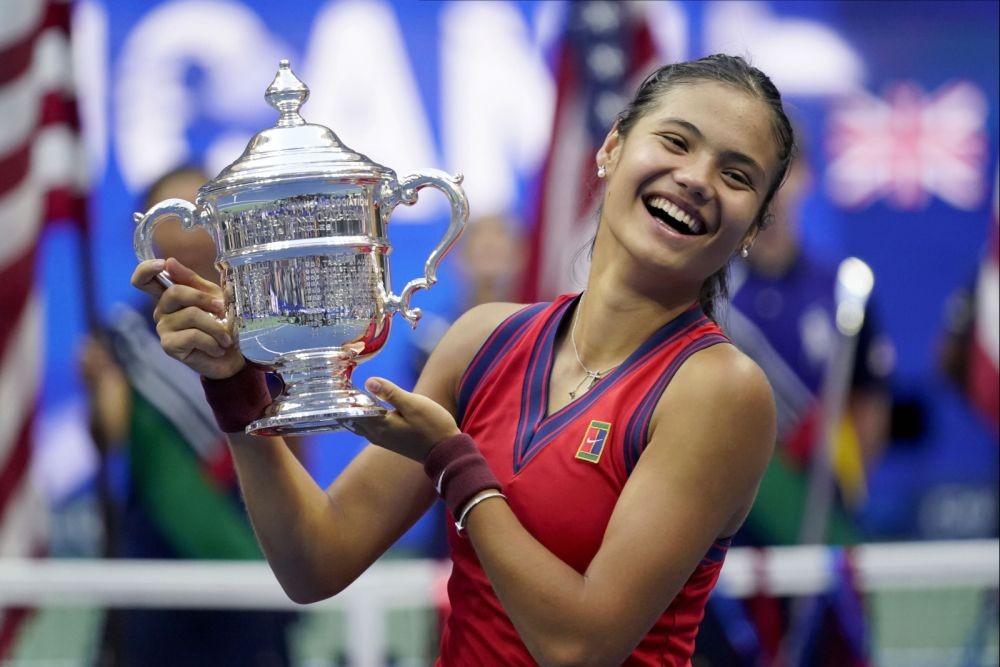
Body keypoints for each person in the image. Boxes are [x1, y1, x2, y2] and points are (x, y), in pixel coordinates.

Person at [131, 54, 795, 665]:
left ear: (755, 226)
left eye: (737, 176)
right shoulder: (484, 341)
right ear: (612, 147)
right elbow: (315, 560)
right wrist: (237, 390)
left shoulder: (720, 389)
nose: (697, 178)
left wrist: (456, 464)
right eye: (676, 141)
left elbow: (580, 647)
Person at [80, 166, 297, 667]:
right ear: (147, 233)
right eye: (172, 215)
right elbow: (106, 436)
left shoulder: (266, 330)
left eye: (200, 214)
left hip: (250, 537)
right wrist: (100, 386)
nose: (187, 231)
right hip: (156, 558)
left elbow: (292, 446)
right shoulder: (123, 338)